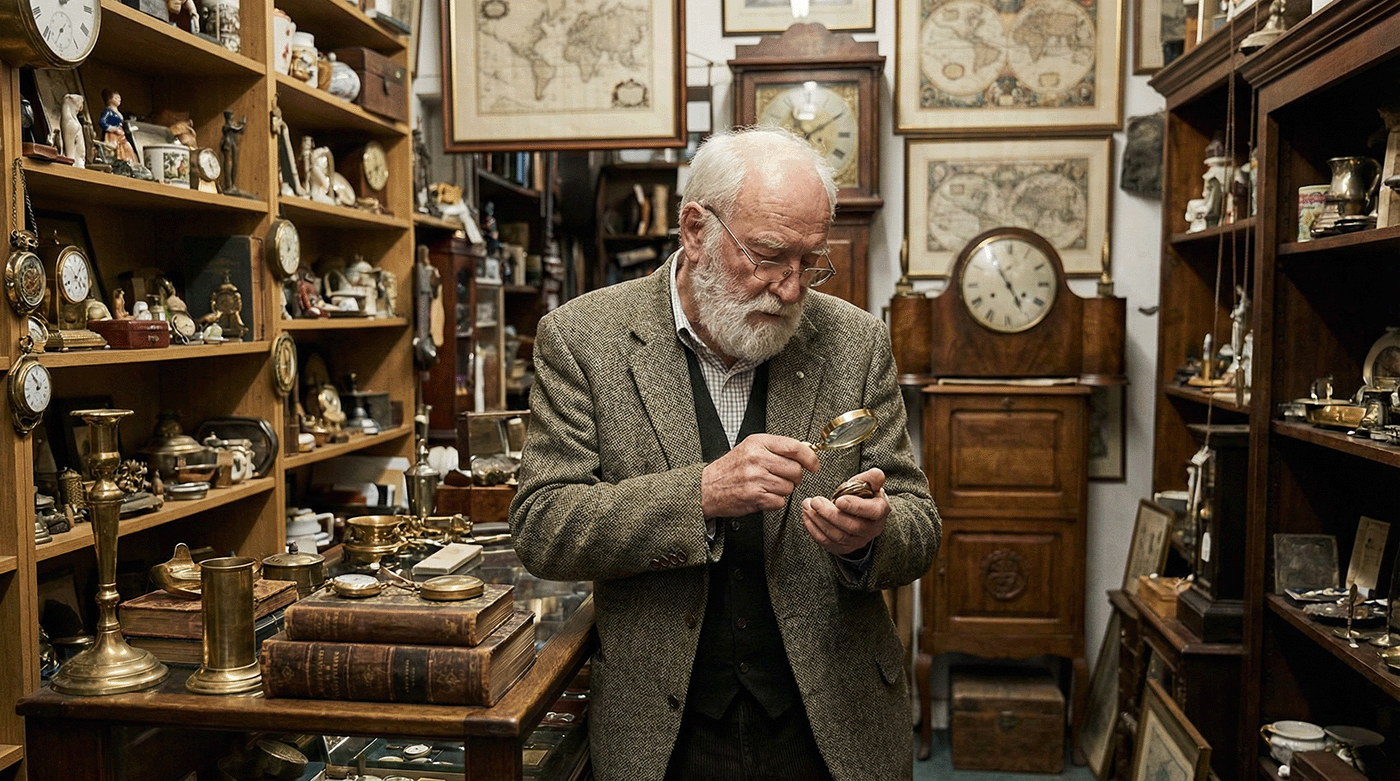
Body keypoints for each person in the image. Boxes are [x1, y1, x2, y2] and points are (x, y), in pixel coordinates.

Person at [509, 126, 941, 781]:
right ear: (694, 229)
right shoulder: (582, 340)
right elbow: (543, 526)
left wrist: (870, 536)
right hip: (667, 728)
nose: (792, 288)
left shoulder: (855, 341)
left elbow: (920, 523)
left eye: (810, 260)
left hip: (830, 722)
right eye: (769, 255)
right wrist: (699, 493)